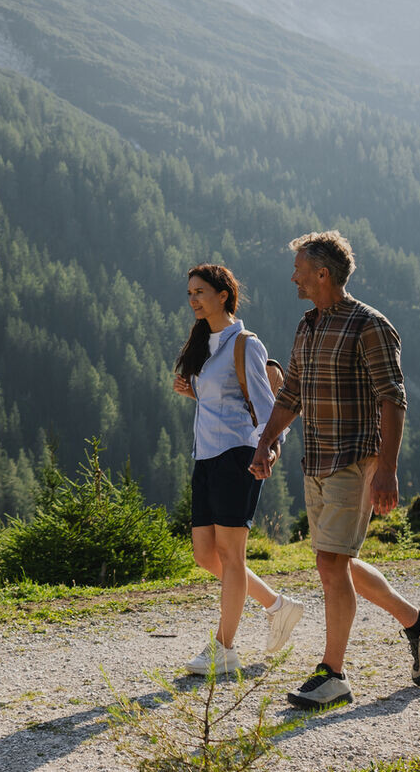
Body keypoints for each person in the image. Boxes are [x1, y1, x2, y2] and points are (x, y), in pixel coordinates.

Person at [249, 231, 420, 709]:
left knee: (330, 564)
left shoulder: (370, 326)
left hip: (354, 460)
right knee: (339, 561)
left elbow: (393, 399)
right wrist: (265, 441)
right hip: (316, 460)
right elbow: (291, 394)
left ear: (322, 274)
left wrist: (387, 469)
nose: (293, 278)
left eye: (299, 269)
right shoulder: (308, 325)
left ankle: (333, 673)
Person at [172, 262, 306, 676]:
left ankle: (224, 648)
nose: (193, 300)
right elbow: (226, 399)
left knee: (231, 555)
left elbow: (268, 406)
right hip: (206, 456)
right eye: (190, 293)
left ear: (223, 295)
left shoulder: (245, 344)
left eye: (200, 292)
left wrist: (269, 449)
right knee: (204, 554)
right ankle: (277, 605)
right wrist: (195, 392)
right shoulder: (206, 342)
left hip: (238, 456)